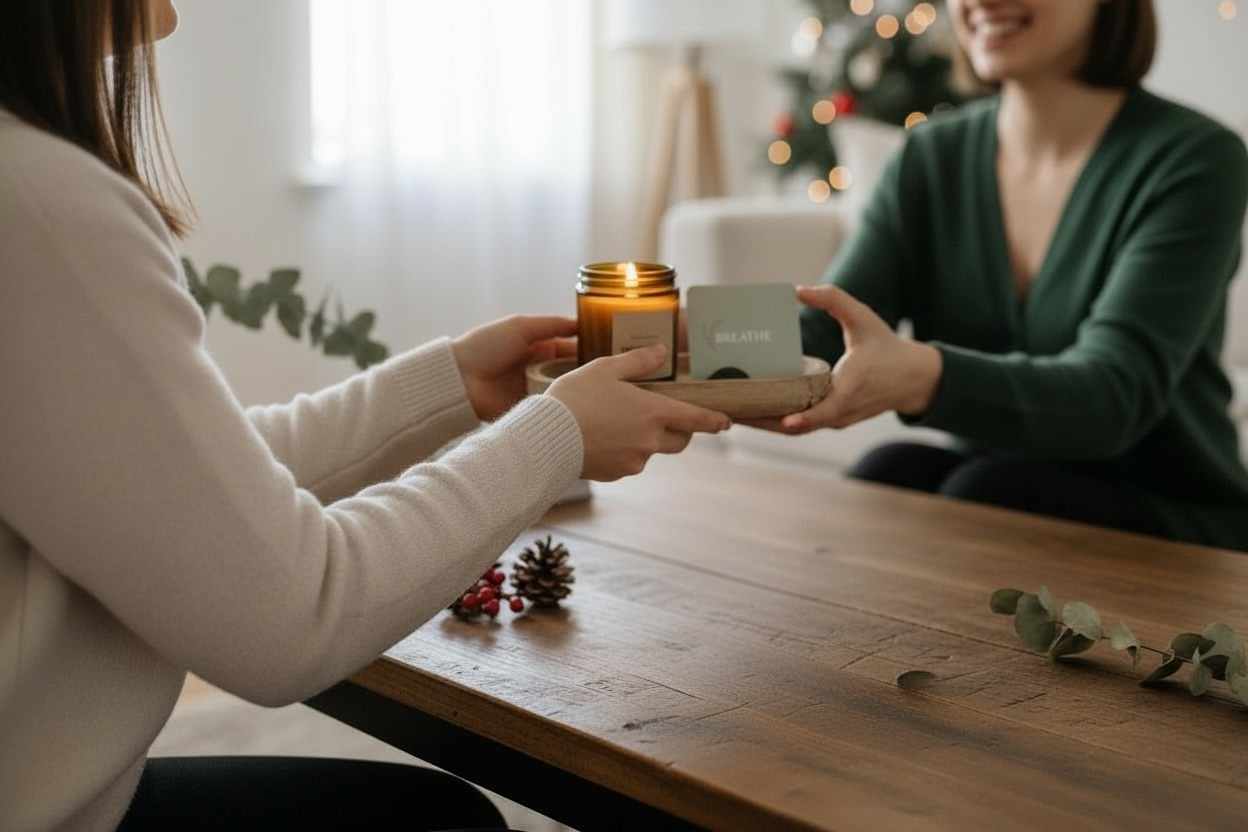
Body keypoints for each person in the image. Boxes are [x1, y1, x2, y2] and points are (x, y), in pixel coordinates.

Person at [0, 2, 731, 831]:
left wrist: (449, 389)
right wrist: (554, 437)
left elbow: (189, 488)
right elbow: (290, 619)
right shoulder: (36, 202)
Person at [760, 0, 1248, 552]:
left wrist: (926, 375)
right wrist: (683, 338)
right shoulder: (930, 155)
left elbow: (1114, 395)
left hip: (1173, 519)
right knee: (890, 471)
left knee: (988, 488)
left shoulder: (1196, 159)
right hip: (997, 489)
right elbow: (823, 333)